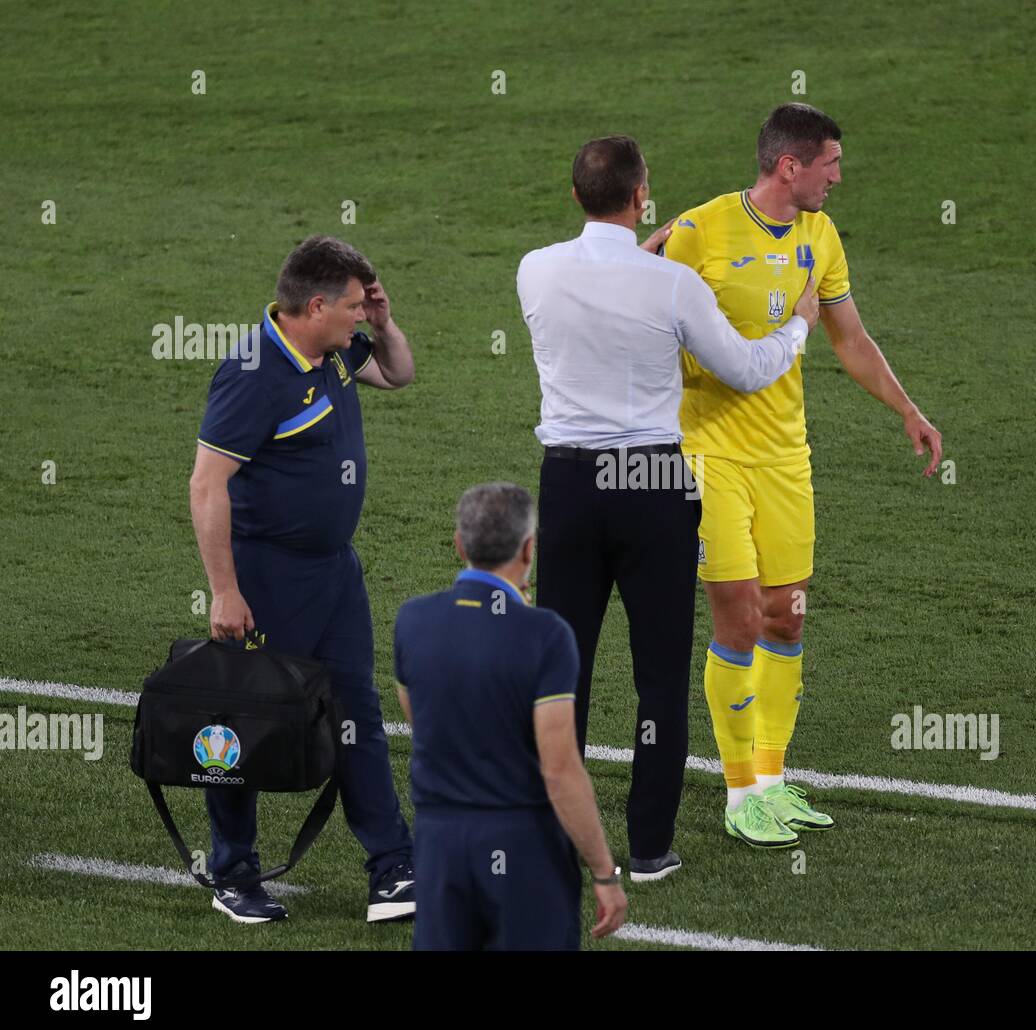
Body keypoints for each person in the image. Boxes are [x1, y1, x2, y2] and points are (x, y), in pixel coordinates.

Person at [517, 135, 818, 881]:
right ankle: (648, 847)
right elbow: (746, 370)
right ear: (641, 195)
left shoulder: (535, 271)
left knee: (565, 667)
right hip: (653, 483)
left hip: (571, 485)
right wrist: (800, 324)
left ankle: (558, 839)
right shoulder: (673, 286)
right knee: (659, 673)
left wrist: (638, 257)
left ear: (575, 194)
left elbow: (601, 285)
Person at [664, 103, 944, 848]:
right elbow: (630, 307)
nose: (838, 177)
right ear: (791, 165)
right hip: (707, 455)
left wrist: (906, 409)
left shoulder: (820, 236)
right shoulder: (701, 230)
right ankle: (738, 793)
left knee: (786, 615)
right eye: (831, 163)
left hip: (786, 457)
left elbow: (849, 337)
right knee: (739, 617)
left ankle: (772, 778)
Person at [189, 235, 417, 922]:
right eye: (352, 306)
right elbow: (207, 484)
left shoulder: (329, 349)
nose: (359, 316)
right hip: (268, 576)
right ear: (314, 305)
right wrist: (226, 590)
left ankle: (392, 870)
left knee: (357, 715)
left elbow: (399, 374)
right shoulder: (255, 371)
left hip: (333, 574)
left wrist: (383, 324)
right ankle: (231, 871)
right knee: (245, 720)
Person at [395, 483, 627, 950]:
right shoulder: (545, 635)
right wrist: (604, 870)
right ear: (528, 548)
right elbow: (560, 770)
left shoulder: (413, 621)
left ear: (460, 545)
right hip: (523, 846)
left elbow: (423, 721)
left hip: (440, 846)